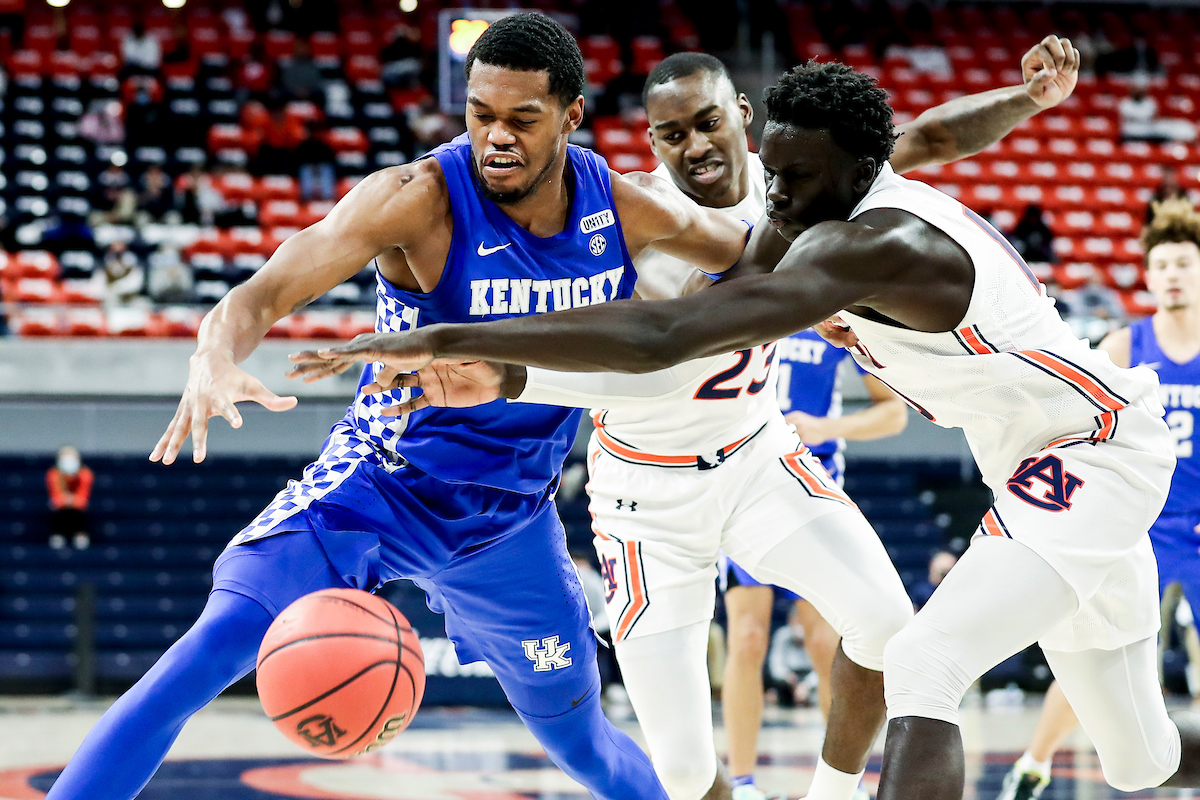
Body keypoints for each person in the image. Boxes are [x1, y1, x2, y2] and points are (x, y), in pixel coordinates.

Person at [298, 48, 1200, 800]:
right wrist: (1027, 98)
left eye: (792, 177)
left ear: (850, 170)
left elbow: (665, 334)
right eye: (771, 170)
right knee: (1139, 760)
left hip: (1091, 450)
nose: (773, 193)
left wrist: (457, 340)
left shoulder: (866, 242)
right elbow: (929, 134)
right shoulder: (799, 196)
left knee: (923, 658)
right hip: (696, 486)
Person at [42, 14, 751, 800]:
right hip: (380, 489)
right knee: (206, 652)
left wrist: (837, 295)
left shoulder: (617, 205)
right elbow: (262, 291)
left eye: (522, 118)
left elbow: (749, 255)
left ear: (572, 115)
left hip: (511, 518)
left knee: (582, 743)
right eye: (481, 116)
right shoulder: (415, 199)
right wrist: (214, 353)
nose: (498, 138)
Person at [994, 197, 1200, 800]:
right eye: (1161, 265)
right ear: (1147, 273)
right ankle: (1034, 763)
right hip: (1140, 523)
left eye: (1183, 264)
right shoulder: (1125, 346)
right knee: (1101, 646)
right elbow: (1080, 431)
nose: (1171, 275)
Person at [46, 446, 93, 551]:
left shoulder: (85, 473)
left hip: (78, 507)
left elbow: (83, 496)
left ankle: (80, 534)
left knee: (79, 510)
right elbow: (55, 495)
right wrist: (66, 499)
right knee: (56, 508)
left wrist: (72, 500)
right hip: (60, 507)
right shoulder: (53, 474)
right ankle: (57, 534)